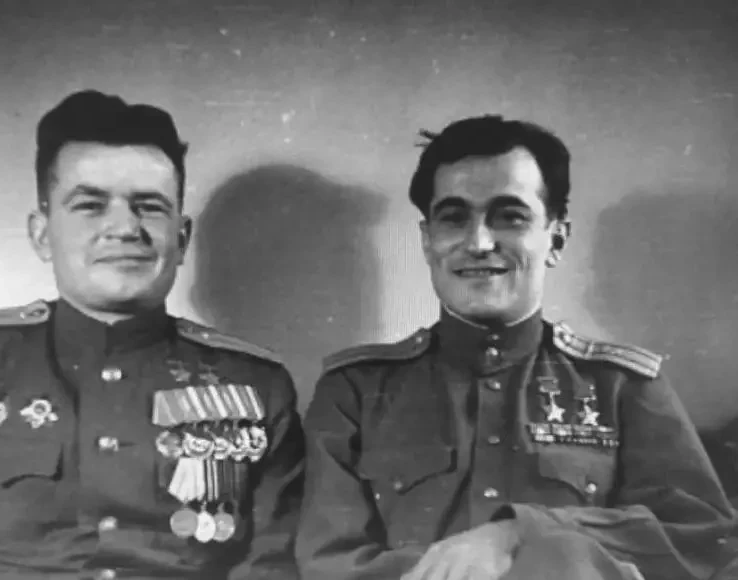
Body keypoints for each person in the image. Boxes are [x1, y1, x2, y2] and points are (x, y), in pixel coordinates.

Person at [0, 90, 304, 579]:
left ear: (181, 239)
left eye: (149, 206)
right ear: (42, 235)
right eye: (90, 205)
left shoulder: (258, 384)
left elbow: (269, 568)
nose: (124, 228)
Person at [295, 115, 734, 580]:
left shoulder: (622, 388)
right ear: (427, 241)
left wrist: (520, 533)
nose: (479, 242)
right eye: (454, 218)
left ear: (556, 238)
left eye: (510, 217)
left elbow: (702, 539)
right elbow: (329, 564)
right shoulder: (355, 395)